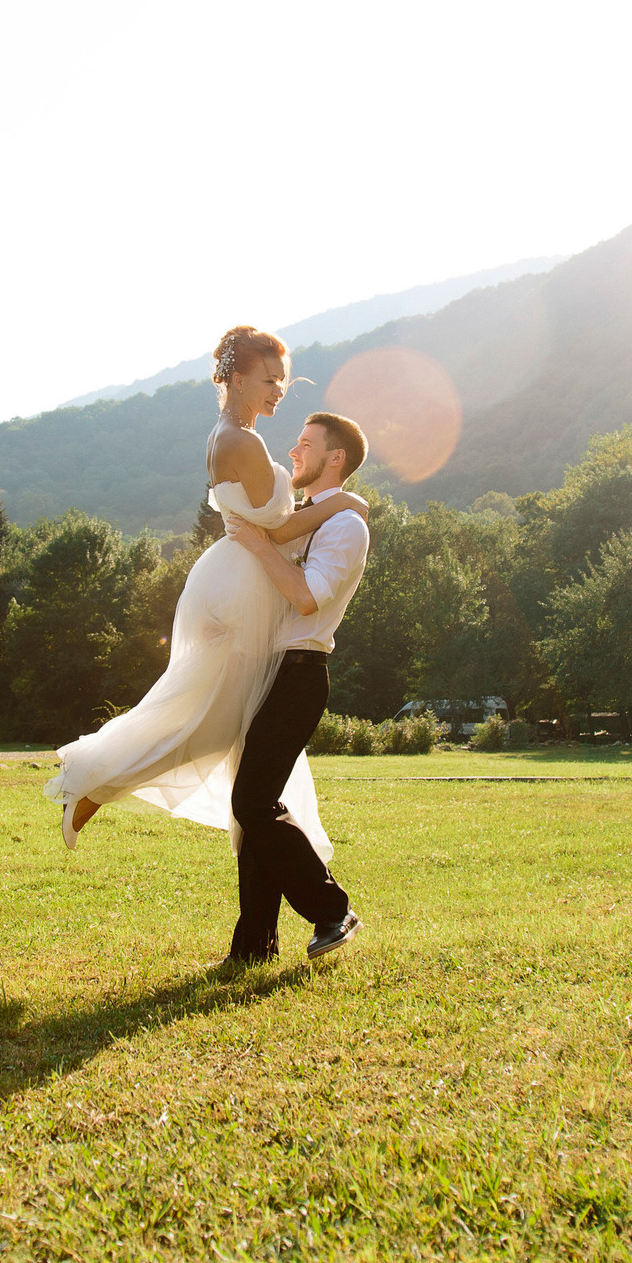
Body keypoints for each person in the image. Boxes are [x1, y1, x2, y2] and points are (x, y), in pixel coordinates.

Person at [45, 328, 363, 940]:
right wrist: (350, 506)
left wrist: (329, 511)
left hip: (236, 586)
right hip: (243, 589)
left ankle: (100, 785)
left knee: (212, 732)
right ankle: (95, 779)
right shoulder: (241, 440)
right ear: (237, 376)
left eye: (284, 382)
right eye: (270, 380)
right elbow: (277, 530)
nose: (279, 392)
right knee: (204, 725)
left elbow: (274, 524)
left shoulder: (228, 435)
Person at [218, 409, 373, 962]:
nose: (293, 452)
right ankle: (253, 947)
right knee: (256, 806)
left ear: (336, 458)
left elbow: (307, 597)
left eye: (306, 444)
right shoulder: (305, 516)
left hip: (301, 674)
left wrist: (258, 544)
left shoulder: (347, 526)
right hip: (267, 671)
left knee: (253, 802)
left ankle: (333, 910)